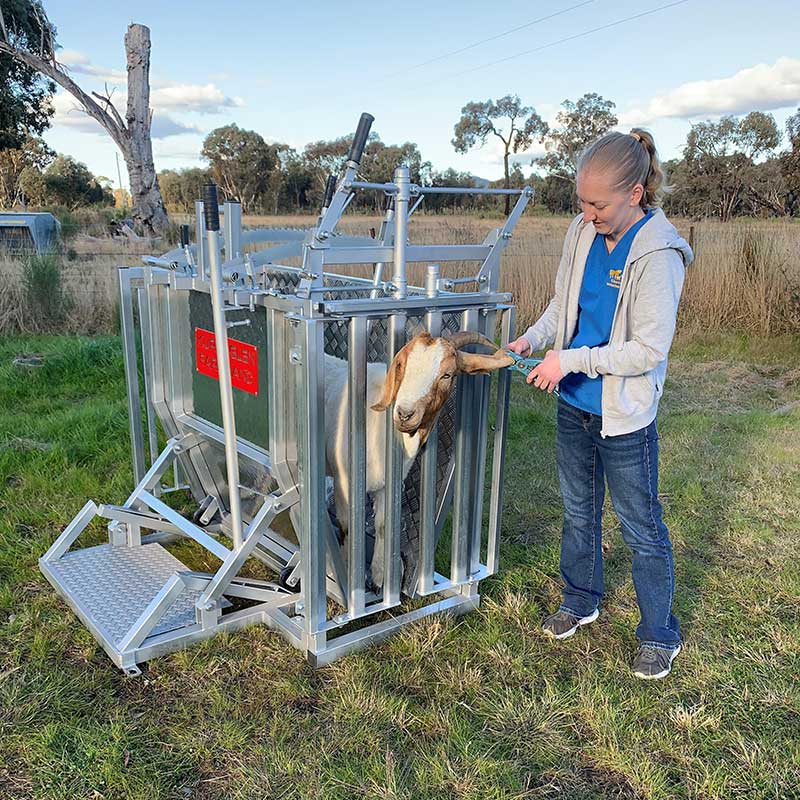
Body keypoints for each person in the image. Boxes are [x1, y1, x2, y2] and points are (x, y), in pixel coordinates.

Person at [507, 129, 693, 680]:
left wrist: (570, 362)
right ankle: (581, 598)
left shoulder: (659, 255)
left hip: (625, 417)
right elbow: (563, 306)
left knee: (641, 526)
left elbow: (648, 349)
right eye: (582, 203)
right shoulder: (582, 233)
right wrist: (533, 340)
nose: (588, 215)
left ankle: (660, 633)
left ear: (635, 193)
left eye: (599, 204)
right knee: (578, 510)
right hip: (575, 404)